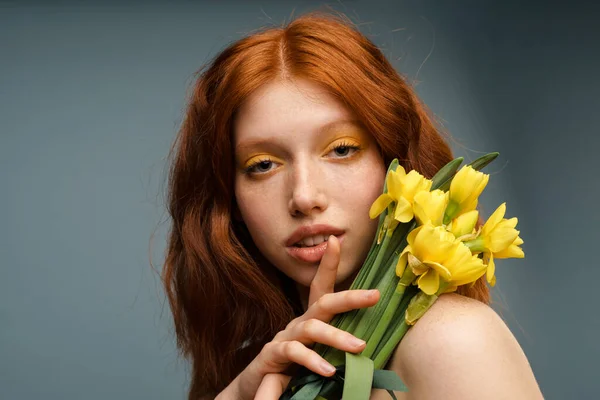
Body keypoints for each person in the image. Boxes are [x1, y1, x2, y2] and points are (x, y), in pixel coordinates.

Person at [161, 10, 543, 400]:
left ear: (395, 162)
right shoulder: (258, 372)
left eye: (341, 149)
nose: (305, 197)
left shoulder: (454, 341)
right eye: (263, 165)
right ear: (231, 201)